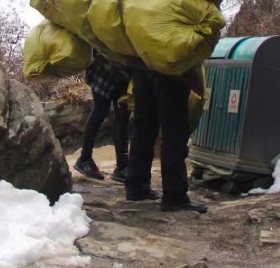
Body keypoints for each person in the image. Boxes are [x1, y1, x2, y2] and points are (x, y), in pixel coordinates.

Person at [125, 62, 207, 213]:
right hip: (170, 70)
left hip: (141, 66)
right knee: (174, 131)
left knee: (143, 128)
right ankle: (175, 196)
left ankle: (137, 187)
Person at [74, 52, 131, 182]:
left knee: (107, 110)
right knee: (117, 112)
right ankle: (121, 167)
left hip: (105, 60)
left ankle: (86, 159)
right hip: (110, 61)